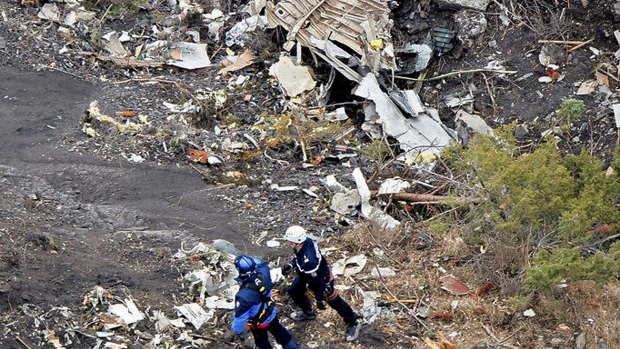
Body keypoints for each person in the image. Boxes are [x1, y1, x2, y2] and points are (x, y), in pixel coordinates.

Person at [281, 225, 363, 342]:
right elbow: (298, 257)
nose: (288, 243)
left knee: (335, 302)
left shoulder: (309, 260)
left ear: (296, 242)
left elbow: (316, 282)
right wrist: (291, 265)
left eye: (290, 241)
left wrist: (319, 299)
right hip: (305, 275)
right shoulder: (305, 242)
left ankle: (353, 322)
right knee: (294, 291)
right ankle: (308, 312)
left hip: (321, 281)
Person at [231, 254, 300, 349]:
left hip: (258, 323)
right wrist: (249, 261)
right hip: (271, 311)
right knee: (279, 331)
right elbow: (261, 263)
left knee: (262, 342)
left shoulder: (243, 296)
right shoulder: (264, 272)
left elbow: (240, 318)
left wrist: (238, 331)